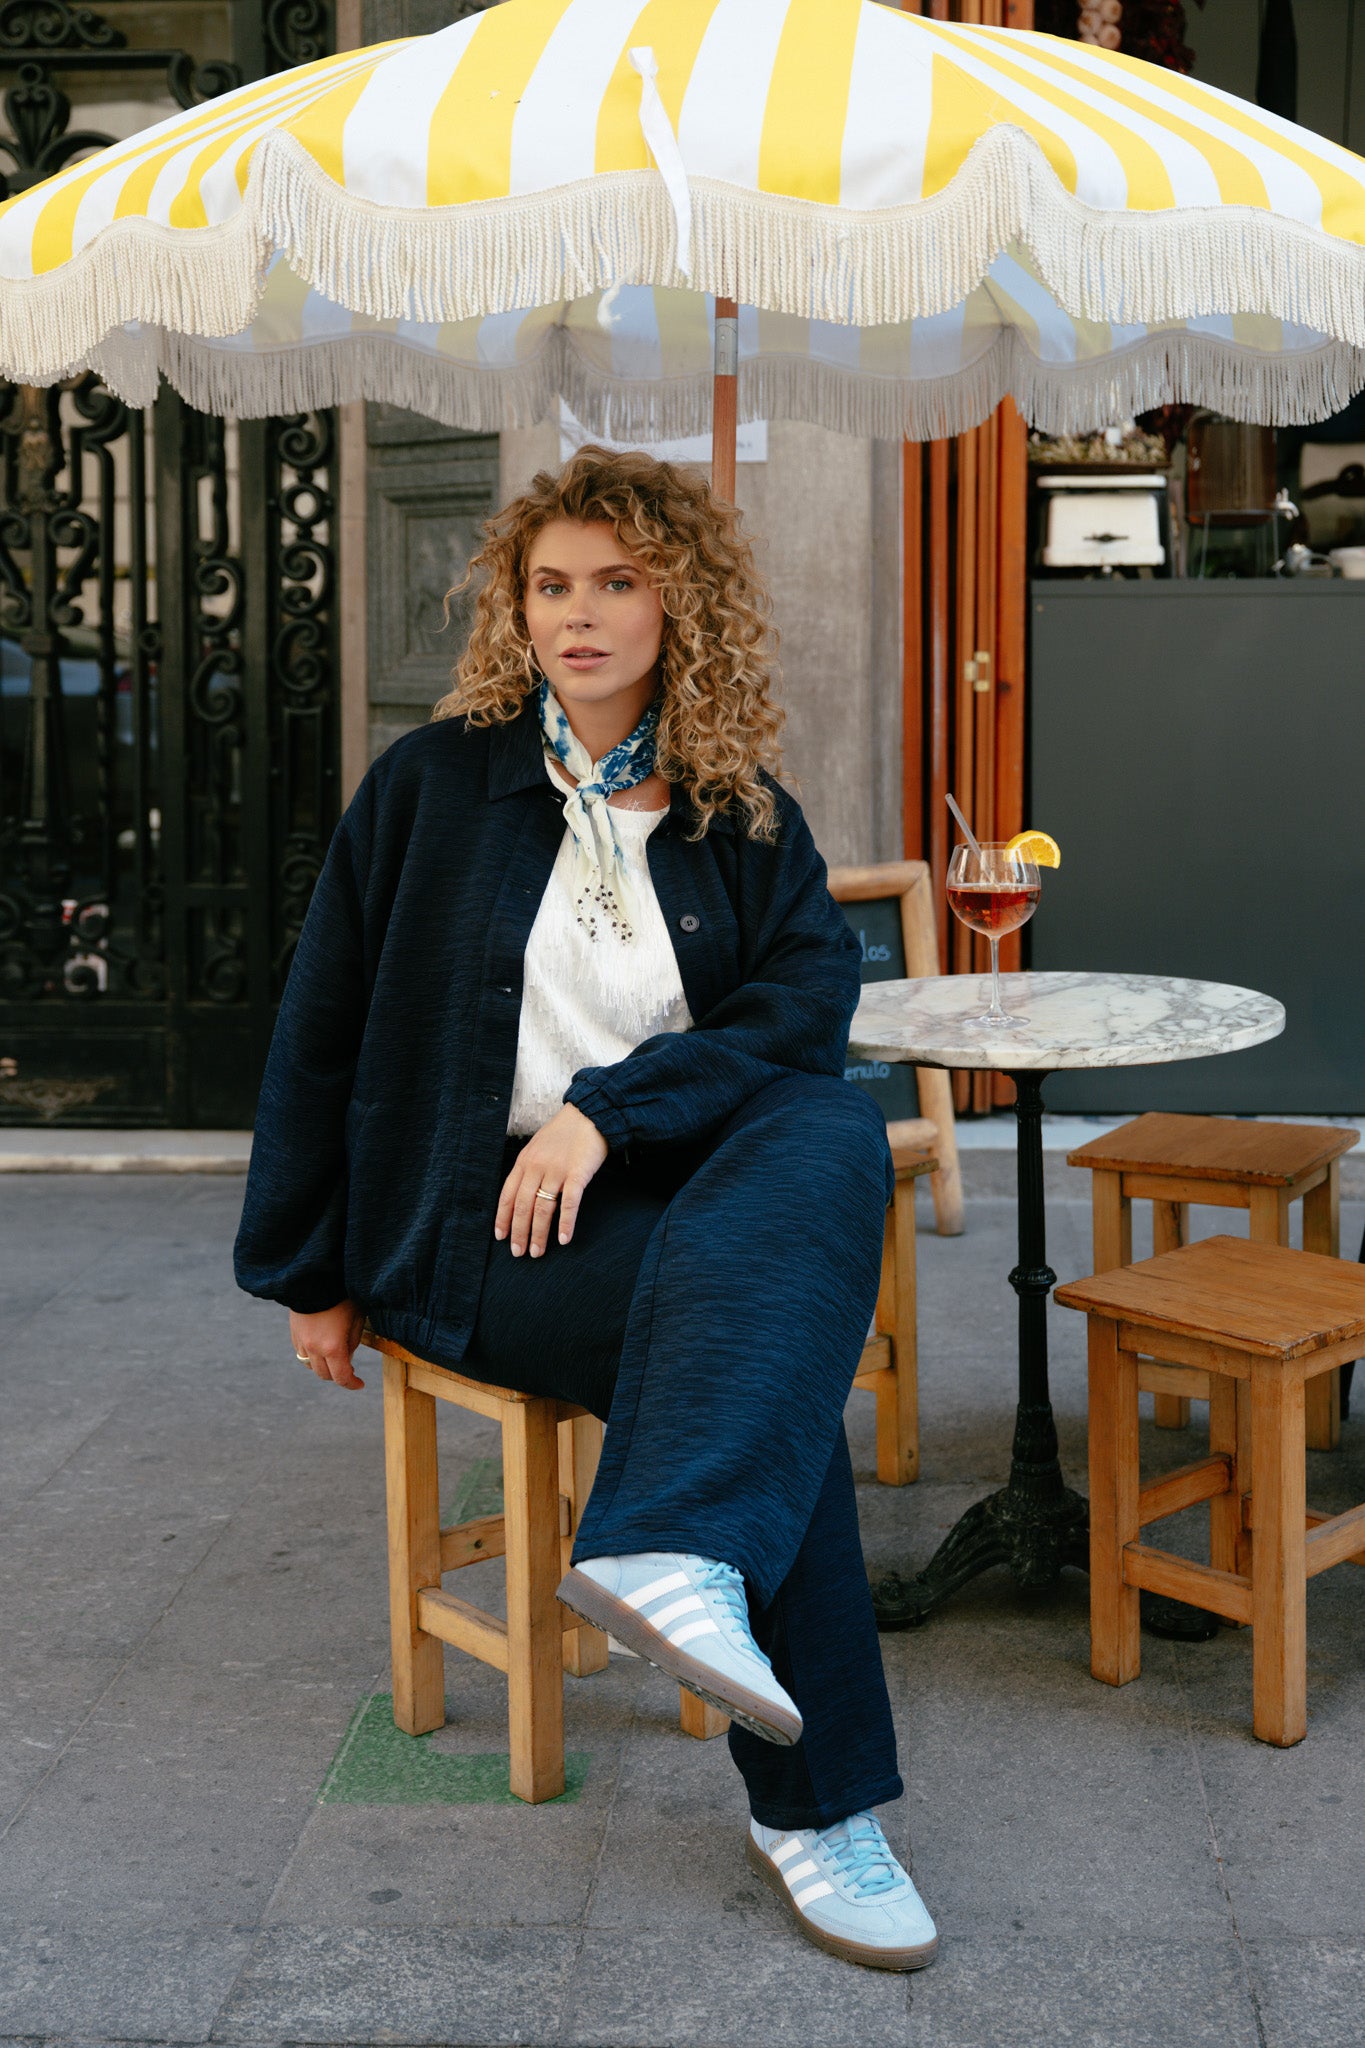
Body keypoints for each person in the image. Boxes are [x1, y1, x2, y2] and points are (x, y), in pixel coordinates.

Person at [234, 445, 938, 1973]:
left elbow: (805, 1011)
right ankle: (814, 1807)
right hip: (477, 1225)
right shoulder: (429, 787)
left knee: (824, 1126)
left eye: (616, 583)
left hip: (678, 1198)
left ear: (680, 606)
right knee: (773, 1379)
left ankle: (676, 1560)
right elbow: (320, 1025)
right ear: (516, 606)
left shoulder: (742, 815)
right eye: (550, 584)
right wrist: (306, 1270)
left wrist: (607, 1112)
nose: (579, 613)